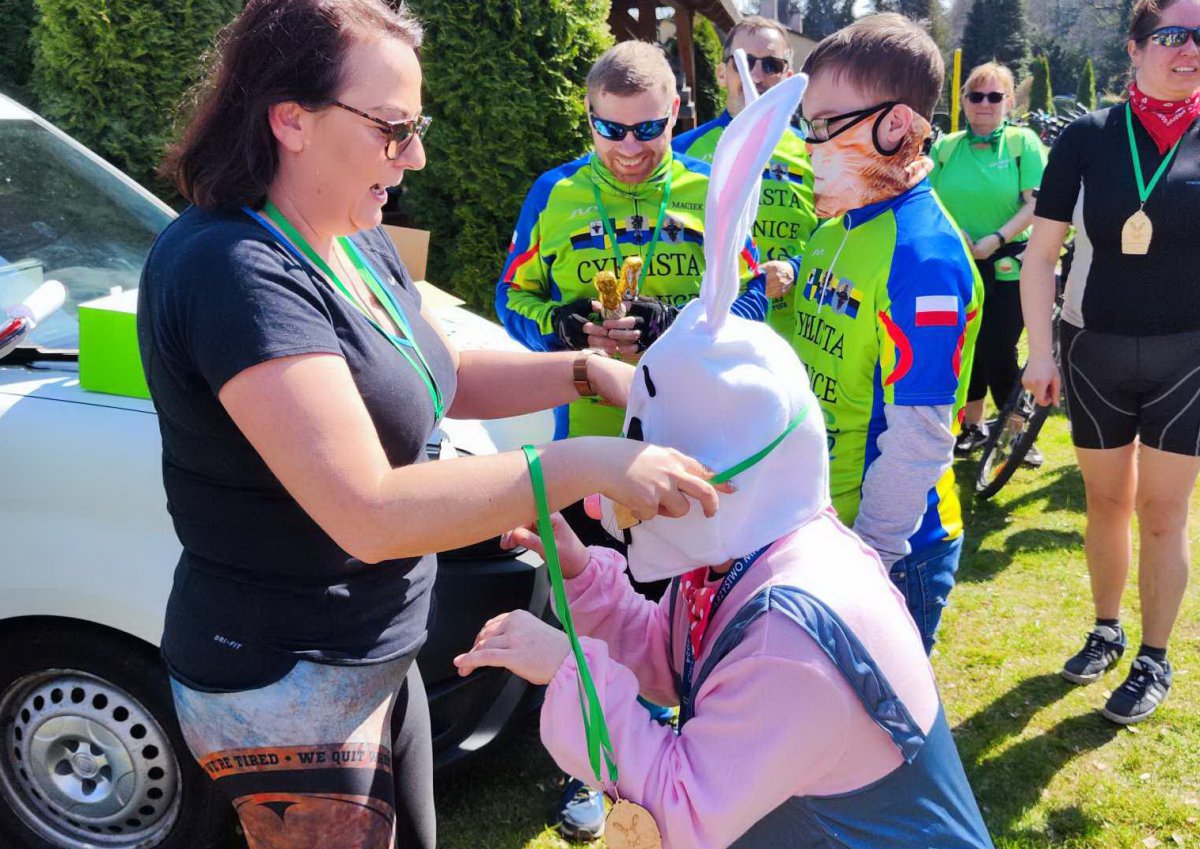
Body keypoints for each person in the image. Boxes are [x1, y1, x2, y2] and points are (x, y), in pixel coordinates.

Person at [137, 3, 726, 847]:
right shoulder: (231, 268)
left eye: (416, 128)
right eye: (392, 129)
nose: (413, 156)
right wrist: (587, 462)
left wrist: (587, 371)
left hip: (373, 652)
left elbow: (437, 375)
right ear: (290, 119)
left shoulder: (349, 230)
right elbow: (370, 510)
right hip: (288, 681)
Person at [456, 77, 993, 848]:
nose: (612, 502)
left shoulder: (789, 631)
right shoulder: (747, 549)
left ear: (728, 474)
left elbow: (687, 805)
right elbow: (671, 658)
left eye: (652, 473)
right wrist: (579, 572)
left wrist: (568, 667)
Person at [494, 39, 765, 838]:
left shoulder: (710, 189)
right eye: (610, 130)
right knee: (590, 615)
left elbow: (756, 300)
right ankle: (584, 766)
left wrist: (678, 322)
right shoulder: (555, 192)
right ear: (589, 119)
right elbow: (511, 295)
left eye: (649, 128)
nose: (630, 148)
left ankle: (685, 754)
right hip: (587, 452)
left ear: (677, 113)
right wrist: (559, 325)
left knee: (683, 615)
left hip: (690, 448)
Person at [1021, 0, 1200, 724]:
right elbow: (1040, 257)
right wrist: (1040, 351)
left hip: (1188, 358)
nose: (1190, 50)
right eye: (1174, 35)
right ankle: (1105, 629)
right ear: (1135, 47)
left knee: (1163, 513)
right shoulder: (1087, 137)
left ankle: (1153, 656)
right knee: (1106, 504)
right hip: (1092, 350)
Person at [789, 14, 984, 655]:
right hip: (817, 524)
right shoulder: (835, 227)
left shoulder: (923, 255)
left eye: (826, 124)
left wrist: (866, 558)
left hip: (890, 550)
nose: (809, 144)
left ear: (896, 124)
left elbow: (920, 439)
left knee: (883, 719)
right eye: (806, 125)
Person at [930, 62, 1048, 463]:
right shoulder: (946, 147)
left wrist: (996, 238)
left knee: (999, 348)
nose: (984, 103)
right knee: (967, 345)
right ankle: (973, 426)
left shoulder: (1021, 143)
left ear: (1009, 102)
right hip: (958, 262)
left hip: (1007, 264)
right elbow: (929, 200)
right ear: (963, 101)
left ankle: (1018, 432)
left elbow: (1035, 204)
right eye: (976, 96)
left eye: (994, 96)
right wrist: (956, 235)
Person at [673, 15, 817, 340]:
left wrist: (794, 268)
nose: (756, 75)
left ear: (788, 77)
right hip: (708, 336)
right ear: (722, 74)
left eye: (771, 65)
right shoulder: (682, 151)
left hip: (791, 336)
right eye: (743, 63)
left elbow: (835, 229)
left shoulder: (814, 151)